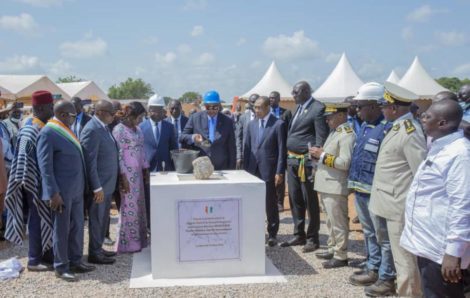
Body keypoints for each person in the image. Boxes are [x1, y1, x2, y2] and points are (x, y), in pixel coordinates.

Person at [400, 99, 470, 297]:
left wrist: (453, 253)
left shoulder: (460, 154)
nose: (422, 117)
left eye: (427, 116)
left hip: (441, 250)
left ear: (442, 123)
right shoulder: (441, 147)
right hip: (428, 244)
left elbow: (463, 205)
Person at [369, 82, 427, 297]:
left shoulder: (410, 132)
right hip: (387, 201)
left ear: (393, 108)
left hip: (399, 204)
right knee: (398, 256)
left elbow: (420, 172)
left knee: (405, 260)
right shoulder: (397, 127)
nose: (382, 110)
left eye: (384, 106)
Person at [347, 82, 397, 296]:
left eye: (361, 106)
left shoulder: (387, 129)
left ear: (375, 106)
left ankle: (386, 276)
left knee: (383, 237)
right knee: (368, 233)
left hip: (377, 193)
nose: (357, 110)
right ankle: (373, 267)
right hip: (361, 189)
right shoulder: (366, 127)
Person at [37, 100, 95, 282]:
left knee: (78, 226)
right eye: (72, 115)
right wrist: (52, 193)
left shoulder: (66, 129)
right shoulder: (48, 132)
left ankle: (76, 260)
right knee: (61, 229)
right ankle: (61, 266)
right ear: (63, 115)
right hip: (61, 193)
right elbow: (45, 167)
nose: (74, 118)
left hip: (76, 189)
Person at [4, 91, 54, 272]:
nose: (53, 110)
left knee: (46, 219)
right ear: (40, 108)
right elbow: (24, 158)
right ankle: (34, 259)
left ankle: (48, 252)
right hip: (32, 182)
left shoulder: (43, 125)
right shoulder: (30, 129)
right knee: (36, 218)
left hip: (43, 183)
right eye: (51, 107)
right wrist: (31, 181)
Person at [280, 81, 328, 253]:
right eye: (293, 91)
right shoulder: (297, 108)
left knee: (310, 200)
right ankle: (298, 233)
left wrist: (315, 163)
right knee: (295, 199)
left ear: (306, 91)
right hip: (292, 161)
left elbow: (321, 137)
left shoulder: (317, 108)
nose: (293, 94)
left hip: (306, 162)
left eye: (296, 91)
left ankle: (312, 237)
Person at [310, 102, 355, 269]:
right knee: (329, 220)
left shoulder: (346, 134)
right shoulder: (335, 132)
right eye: (327, 118)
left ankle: (341, 254)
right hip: (326, 183)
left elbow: (345, 162)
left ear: (341, 116)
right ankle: (332, 247)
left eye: (330, 117)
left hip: (335, 185)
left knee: (338, 222)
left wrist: (322, 155)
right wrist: (320, 154)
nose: (327, 121)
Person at [243, 96, 286, 247]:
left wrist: (280, 171)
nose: (257, 110)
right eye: (255, 107)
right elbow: (247, 148)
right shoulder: (251, 125)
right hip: (252, 170)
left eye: (260, 107)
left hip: (269, 170)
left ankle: (272, 234)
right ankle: (253, 231)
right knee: (252, 202)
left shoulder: (278, 124)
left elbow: (282, 150)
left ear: (268, 107)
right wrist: (245, 171)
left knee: (270, 203)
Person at [80, 100, 119, 265]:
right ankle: (94, 254)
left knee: (102, 219)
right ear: (101, 112)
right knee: (96, 220)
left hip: (107, 184)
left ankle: (98, 248)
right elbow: (90, 162)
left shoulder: (103, 127)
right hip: (99, 186)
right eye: (111, 113)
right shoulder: (92, 130)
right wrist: (96, 187)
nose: (114, 116)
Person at [113, 101, 149, 253]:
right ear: (131, 116)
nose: (141, 120)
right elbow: (118, 155)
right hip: (127, 176)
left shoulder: (138, 130)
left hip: (138, 175)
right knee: (129, 208)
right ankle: (127, 244)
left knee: (139, 207)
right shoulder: (119, 130)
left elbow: (142, 151)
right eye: (139, 117)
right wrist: (122, 177)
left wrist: (145, 169)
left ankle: (140, 240)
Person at [180, 90, 236, 170]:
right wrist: (193, 137)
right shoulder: (195, 118)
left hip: (221, 167)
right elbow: (182, 137)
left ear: (219, 105)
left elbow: (231, 147)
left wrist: (232, 168)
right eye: (208, 107)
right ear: (204, 105)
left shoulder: (227, 121)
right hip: (200, 166)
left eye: (214, 107)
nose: (211, 110)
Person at [140, 94, 178, 172]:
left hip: (165, 169)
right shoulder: (140, 127)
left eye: (159, 110)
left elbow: (174, 149)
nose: (157, 113)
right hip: (147, 170)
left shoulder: (170, 127)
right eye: (154, 110)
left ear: (163, 110)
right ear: (149, 110)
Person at [269, 91, 292, 212]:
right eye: (270, 98)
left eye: (273, 98)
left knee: (280, 174)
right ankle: (271, 200)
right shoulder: (266, 112)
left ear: (279, 99)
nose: (271, 100)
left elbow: (290, 130)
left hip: (282, 147)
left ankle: (279, 202)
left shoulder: (286, 113)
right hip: (270, 147)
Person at [236, 94, 258, 170]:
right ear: (249, 103)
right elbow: (239, 138)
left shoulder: (264, 117)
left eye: (257, 102)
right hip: (246, 155)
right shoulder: (243, 118)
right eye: (252, 102)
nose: (255, 104)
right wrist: (239, 156)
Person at [0, 101, 23, 171]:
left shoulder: (21, 123)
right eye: (14, 112)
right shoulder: (3, 125)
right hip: (8, 165)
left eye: (19, 112)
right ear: (8, 113)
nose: (17, 114)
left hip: (19, 163)